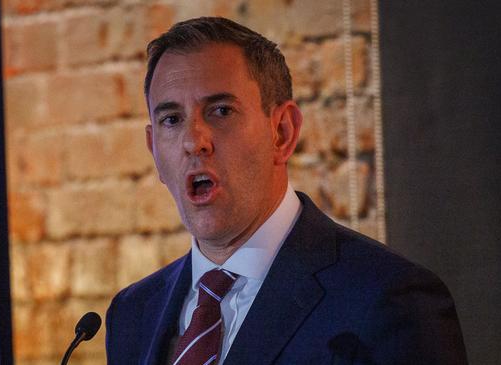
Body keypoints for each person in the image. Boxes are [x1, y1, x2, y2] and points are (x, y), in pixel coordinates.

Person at [105, 17, 467, 365]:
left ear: (282, 132)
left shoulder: (389, 300)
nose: (194, 141)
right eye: (172, 119)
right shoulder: (133, 314)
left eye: (220, 111)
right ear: (153, 149)